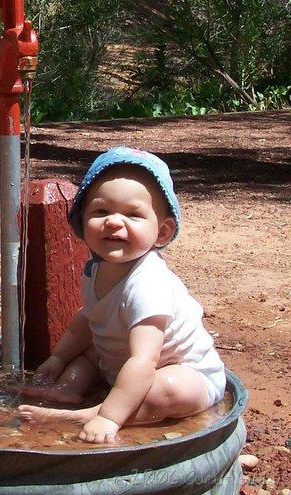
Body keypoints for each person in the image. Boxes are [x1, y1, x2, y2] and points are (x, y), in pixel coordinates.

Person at [18, 146, 225, 444]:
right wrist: (59, 358)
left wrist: (109, 418)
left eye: (133, 214)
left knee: (169, 388)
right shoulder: (95, 270)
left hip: (177, 371)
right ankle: (67, 389)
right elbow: (85, 321)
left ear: (163, 232)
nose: (114, 221)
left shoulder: (147, 283)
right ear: (82, 220)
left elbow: (144, 360)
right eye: (101, 211)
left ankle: (92, 414)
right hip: (119, 365)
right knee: (87, 356)